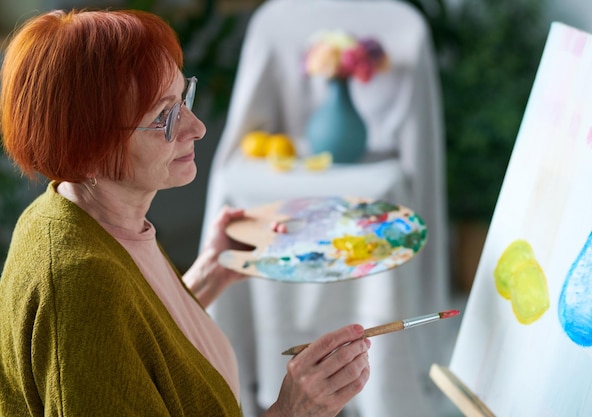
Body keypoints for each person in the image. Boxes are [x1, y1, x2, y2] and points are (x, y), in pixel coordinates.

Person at [0, 9, 370, 416]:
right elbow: (103, 323)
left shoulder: (81, 215)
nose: (197, 127)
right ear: (87, 146)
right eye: (164, 116)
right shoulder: (80, 285)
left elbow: (140, 340)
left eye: (182, 99)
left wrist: (210, 273)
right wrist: (292, 409)